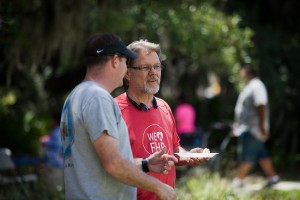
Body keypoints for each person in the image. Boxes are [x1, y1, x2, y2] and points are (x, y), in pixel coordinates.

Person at [60, 33, 178, 200]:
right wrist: (158, 186)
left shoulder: (76, 96)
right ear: (116, 60)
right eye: (125, 61)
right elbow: (113, 163)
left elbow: (99, 161)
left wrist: (145, 164)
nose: (125, 69)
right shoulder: (98, 98)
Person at [115, 39, 210, 200]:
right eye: (145, 67)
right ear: (127, 73)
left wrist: (188, 156)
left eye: (157, 66)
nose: (153, 72)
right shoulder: (114, 110)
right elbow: (112, 163)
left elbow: (173, 150)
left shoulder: (164, 107)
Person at [232, 65, 280, 188]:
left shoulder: (257, 86)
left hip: (252, 129)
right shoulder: (251, 86)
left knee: (247, 156)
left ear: (248, 72)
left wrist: (262, 126)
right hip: (248, 128)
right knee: (262, 154)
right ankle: (273, 177)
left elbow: (261, 105)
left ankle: (239, 181)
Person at [39, 113, 63, 190]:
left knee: (54, 188)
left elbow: (57, 144)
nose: (50, 122)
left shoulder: (57, 131)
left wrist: (45, 141)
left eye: (51, 120)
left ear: (55, 121)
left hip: (55, 164)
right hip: (56, 164)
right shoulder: (58, 131)